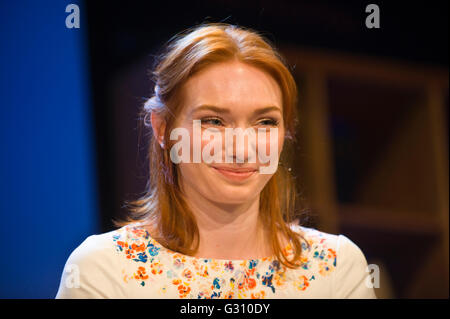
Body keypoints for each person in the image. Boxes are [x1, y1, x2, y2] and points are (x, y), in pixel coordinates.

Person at [56, 23, 377, 299]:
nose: (241, 148)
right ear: (163, 128)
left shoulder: (336, 267)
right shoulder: (103, 270)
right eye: (213, 121)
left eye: (265, 122)